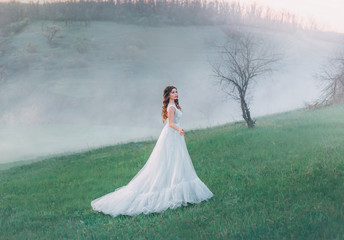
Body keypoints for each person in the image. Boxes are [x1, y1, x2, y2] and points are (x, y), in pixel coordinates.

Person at [91, 85, 213, 217]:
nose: (176, 93)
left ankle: (176, 186)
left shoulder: (174, 105)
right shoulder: (171, 107)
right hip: (172, 135)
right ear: (168, 95)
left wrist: (178, 131)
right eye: (173, 92)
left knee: (176, 162)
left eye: (176, 91)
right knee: (169, 162)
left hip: (174, 136)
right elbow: (171, 123)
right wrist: (179, 130)